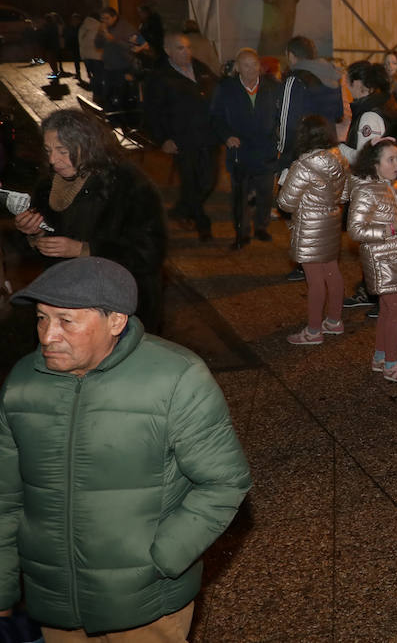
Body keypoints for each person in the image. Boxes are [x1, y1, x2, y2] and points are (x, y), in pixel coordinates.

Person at [0, 258, 251, 641]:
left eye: (66, 321)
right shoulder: (22, 383)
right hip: (54, 606)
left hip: (144, 608)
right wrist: (3, 583)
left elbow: (223, 482)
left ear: (115, 322)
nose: (48, 336)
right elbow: (6, 496)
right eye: (41, 318)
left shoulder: (177, 378)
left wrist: (161, 559)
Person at [12, 109, 166, 331]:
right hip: (65, 306)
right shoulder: (49, 186)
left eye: (62, 151)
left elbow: (149, 253)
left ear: (88, 146)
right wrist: (33, 234)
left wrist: (84, 249)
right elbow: (39, 250)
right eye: (48, 151)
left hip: (116, 310)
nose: (53, 160)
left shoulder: (128, 185)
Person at [349, 137, 397, 383]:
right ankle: (392, 364)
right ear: (374, 164)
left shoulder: (394, 187)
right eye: (390, 160)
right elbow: (355, 230)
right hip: (379, 258)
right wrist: (391, 229)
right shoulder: (365, 190)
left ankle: (380, 356)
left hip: (393, 256)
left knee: (386, 308)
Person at [277, 115, 349, 346]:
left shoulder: (303, 166)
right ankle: (334, 320)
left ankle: (314, 330)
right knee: (332, 271)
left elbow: (286, 203)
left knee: (314, 279)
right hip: (332, 220)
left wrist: (285, 180)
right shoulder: (339, 159)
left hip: (310, 224)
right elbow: (345, 194)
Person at [142, 33, 220, 241]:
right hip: (182, 140)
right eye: (180, 48)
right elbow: (152, 113)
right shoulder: (159, 77)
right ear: (168, 51)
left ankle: (182, 209)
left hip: (209, 136)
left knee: (209, 181)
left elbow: (218, 88)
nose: (187, 52)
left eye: (187, 47)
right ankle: (202, 222)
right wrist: (163, 139)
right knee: (191, 182)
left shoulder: (200, 68)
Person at [210, 48, 283, 250]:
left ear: (260, 66)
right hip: (239, 151)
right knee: (240, 195)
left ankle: (261, 227)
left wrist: (279, 135)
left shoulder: (272, 86)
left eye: (254, 65)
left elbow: (281, 115)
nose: (251, 70)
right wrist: (226, 136)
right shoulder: (226, 88)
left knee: (266, 193)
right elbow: (215, 117)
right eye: (246, 65)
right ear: (237, 68)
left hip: (266, 150)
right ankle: (241, 233)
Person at [277, 35, 345, 171]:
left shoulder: (295, 80)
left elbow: (287, 121)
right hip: (328, 152)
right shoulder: (333, 76)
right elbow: (339, 114)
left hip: (301, 154)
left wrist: (282, 150)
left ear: (291, 55)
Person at [341, 60, 397, 164]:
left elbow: (363, 158)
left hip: (370, 178)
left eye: (346, 81)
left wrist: (339, 148)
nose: (345, 86)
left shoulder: (370, 116)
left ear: (357, 83)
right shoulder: (384, 103)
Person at [77, 12, 103, 95]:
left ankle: (96, 93)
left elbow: (80, 42)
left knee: (94, 75)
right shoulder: (100, 27)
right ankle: (99, 94)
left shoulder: (83, 27)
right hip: (97, 56)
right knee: (99, 76)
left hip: (86, 56)